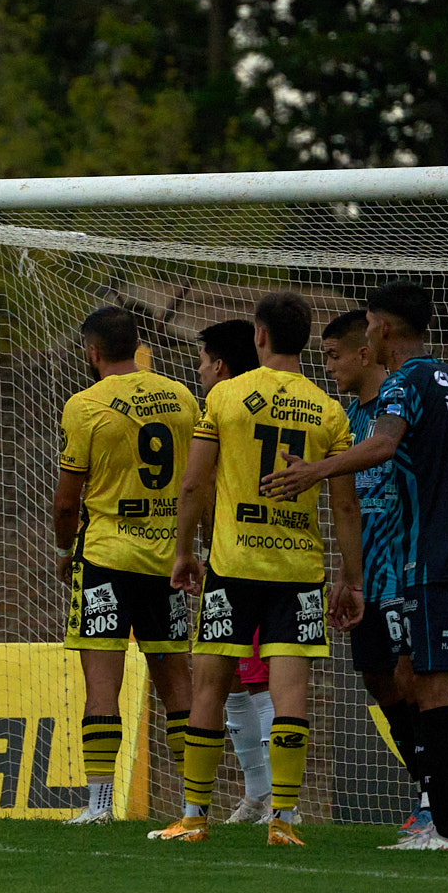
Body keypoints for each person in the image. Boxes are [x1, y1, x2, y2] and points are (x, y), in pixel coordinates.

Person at [262, 282, 448, 850]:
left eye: (367, 324)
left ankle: (445, 826)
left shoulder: (404, 382)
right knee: (415, 677)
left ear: (383, 329)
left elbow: (387, 445)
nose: (364, 332)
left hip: (432, 556)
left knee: (428, 684)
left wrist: (317, 470)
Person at [154, 292, 364, 846]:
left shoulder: (226, 395)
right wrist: (352, 577)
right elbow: (345, 505)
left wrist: (182, 552)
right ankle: (285, 821)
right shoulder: (328, 409)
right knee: (290, 690)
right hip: (298, 569)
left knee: (210, 687)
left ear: (259, 336)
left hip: (233, 563)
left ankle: (194, 816)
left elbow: (195, 483)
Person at [50, 306, 198, 825]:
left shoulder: (85, 405)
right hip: (166, 561)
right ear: (136, 345)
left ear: (91, 352)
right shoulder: (182, 396)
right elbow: (198, 480)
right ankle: (193, 803)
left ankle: (99, 803)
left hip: (107, 557)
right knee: (177, 680)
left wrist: (65, 551)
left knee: (102, 681)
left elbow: (67, 502)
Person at [318, 309, 431, 837]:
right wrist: (346, 573)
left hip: (406, 571)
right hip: (367, 575)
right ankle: (429, 784)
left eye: (335, 357)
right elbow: (351, 508)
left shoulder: (401, 407)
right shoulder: (344, 421)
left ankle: (438, 796)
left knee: (412, 680)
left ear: (364, 354)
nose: (330, 368)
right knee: (376, 678)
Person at [195, 320, 275, 824]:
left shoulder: (224, 408)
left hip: (248, 558)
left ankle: (278, 800)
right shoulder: (274, 400)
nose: (199, 370)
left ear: (220, 365)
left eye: (201, 361)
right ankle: (258, 793)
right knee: (237, 679)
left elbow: (200, 486)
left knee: (260, 676)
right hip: (248, 553)